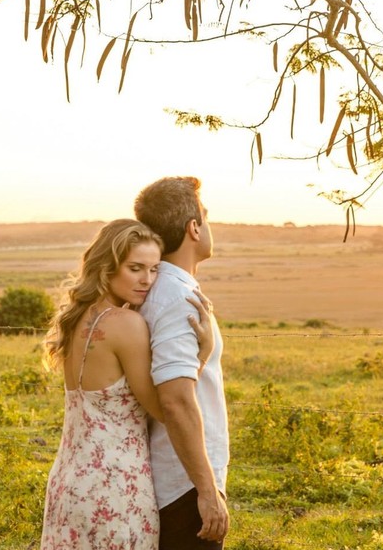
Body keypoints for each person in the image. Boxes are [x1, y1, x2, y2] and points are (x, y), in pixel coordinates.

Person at [41, 219, 213, 550]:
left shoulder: (76, 318)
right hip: (115, 487)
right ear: (107, 267)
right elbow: (164, 407)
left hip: (68, 481)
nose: (146, 280)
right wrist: (201, 356)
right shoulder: (127, 325)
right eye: (135, 268)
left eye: (153, 270)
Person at [134, 176, 230, 549]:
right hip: (183, 484)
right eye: (205, 217)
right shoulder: (175, 298)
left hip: (183, 477)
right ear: (194, 228)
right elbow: (174, 399)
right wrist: (206, 491)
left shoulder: (170, 290)